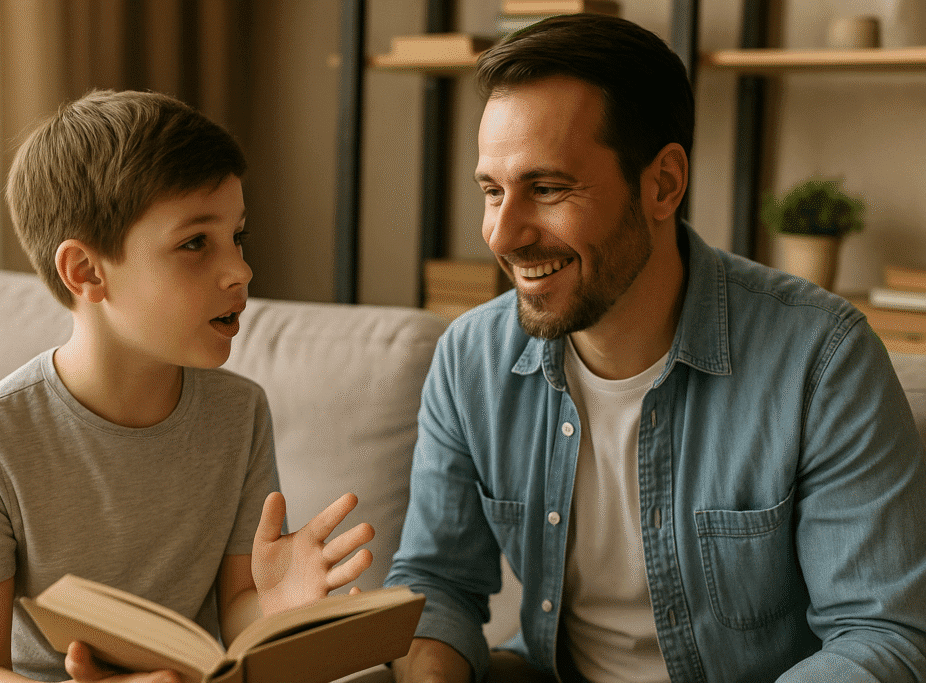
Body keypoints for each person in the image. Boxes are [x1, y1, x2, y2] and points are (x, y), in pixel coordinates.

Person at [384, 13, 926, 683]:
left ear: (664, 183)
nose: (502, 233)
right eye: (492, 191)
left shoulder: (822, 359)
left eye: (548, 189)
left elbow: (880, 636)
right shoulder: (471, 359)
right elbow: (436, 583)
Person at [0, 90, 375, 683]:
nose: (240, 270)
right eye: (194, 243)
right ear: (86, 272)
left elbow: (236, 616)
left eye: (237, 235)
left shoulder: (239, 412)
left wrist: (277, 607)